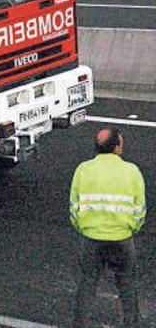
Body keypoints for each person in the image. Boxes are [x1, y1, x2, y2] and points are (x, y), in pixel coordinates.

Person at [70, 128, 145, 328]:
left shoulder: (83, 170)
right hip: (122, 238)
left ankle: (80, 324)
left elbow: (74, 210)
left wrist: (85, 228)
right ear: (117, 148)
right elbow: (140, 211)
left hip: (91, 238)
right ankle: (131, 324)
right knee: (127, 283)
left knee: (87, 283)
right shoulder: (132, 171)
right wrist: (131, 229)